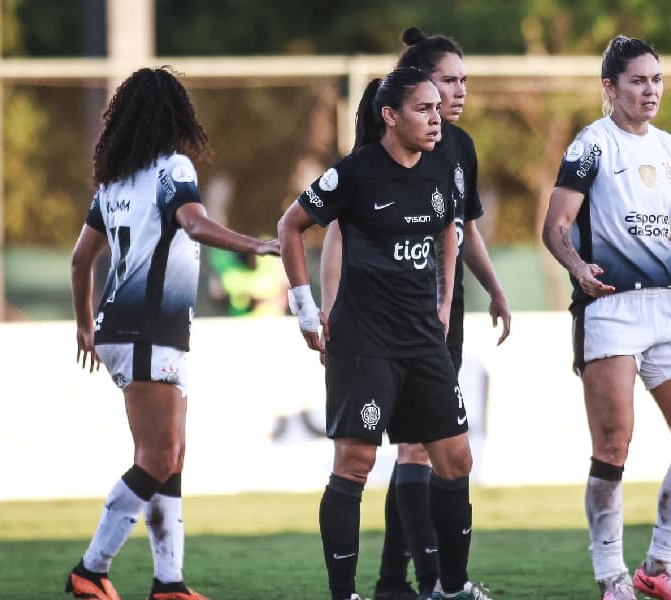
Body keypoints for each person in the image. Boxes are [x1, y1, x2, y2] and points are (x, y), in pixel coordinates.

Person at [541, 36, 671, 600]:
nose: (650, 89)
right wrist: (579, 267)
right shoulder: (592, 146)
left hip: (667, 306)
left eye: (656, 79)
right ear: (610, 88)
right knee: (613, 446)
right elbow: (555, 226)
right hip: (608, 304)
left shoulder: (670, 149)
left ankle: (658, 566)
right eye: (637, 80)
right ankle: (611, 576)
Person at [278, 67, 492, 600]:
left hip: (424, 342)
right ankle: (344, 593)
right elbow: (290, 226)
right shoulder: (354, 175)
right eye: (423, 109)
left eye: (437, 109)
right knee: (356, 462)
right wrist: (306, 309)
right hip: (363, 344)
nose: (436, 119)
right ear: (389, 116)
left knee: (457, 459)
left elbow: (450, 226)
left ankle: (451, 588)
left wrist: (444, 300)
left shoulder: (441, 169)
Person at [67, 66, 280, 600]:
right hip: (147, 330)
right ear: (174, 117)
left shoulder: (113, 183)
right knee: (158, 458)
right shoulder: (170, 168)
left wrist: (84, 325)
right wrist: (254, 245)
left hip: (133, 329)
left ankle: (169, 582)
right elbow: (193, 222)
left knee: (170, 457)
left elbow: (79, 261)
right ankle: (91, 570)